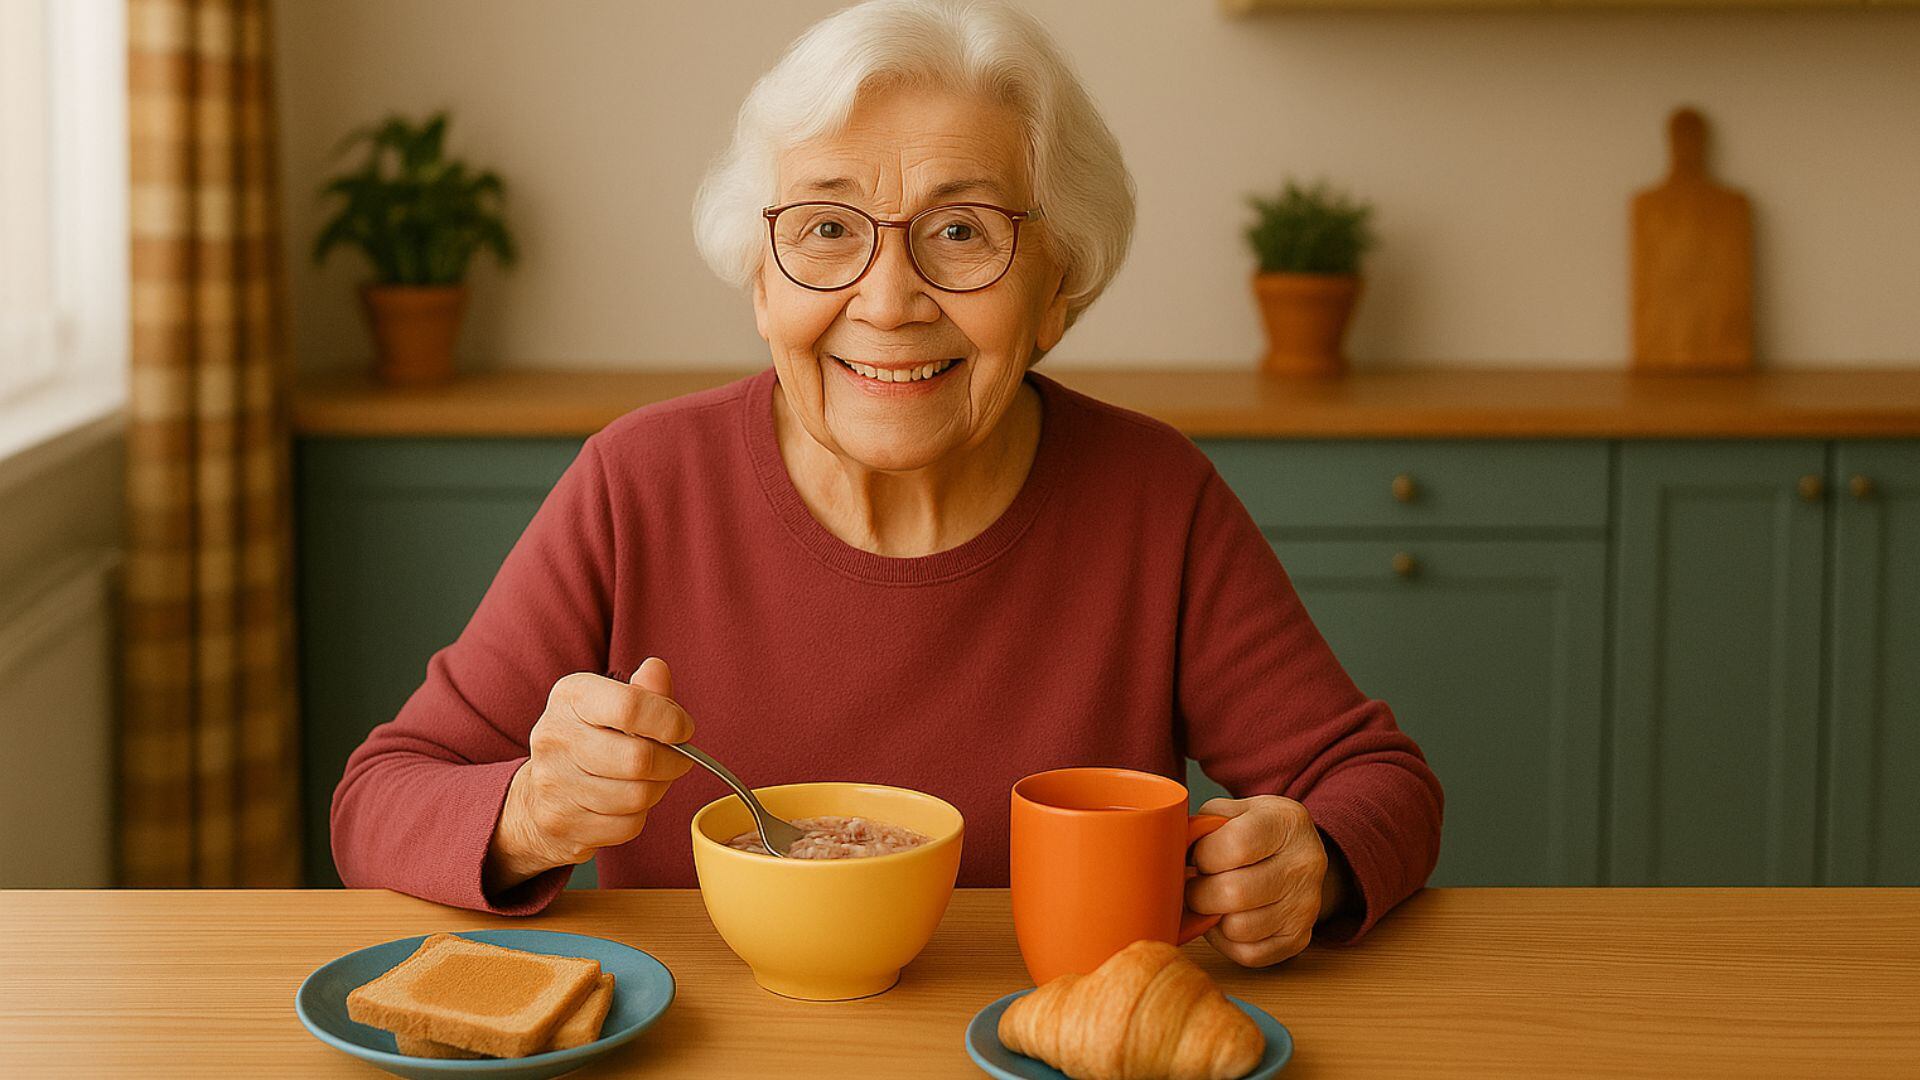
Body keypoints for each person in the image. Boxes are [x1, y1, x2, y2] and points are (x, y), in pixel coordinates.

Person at [332, 0, 1442, 968]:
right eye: (826, 230)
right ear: (762, 283)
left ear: (1058, 290)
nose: (889, 300)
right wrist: (529, 812)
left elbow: (1373, 780)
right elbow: (378, 798)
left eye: (961, 231)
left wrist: (1315, 863)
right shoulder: (641, 482)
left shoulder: (1156, 497)